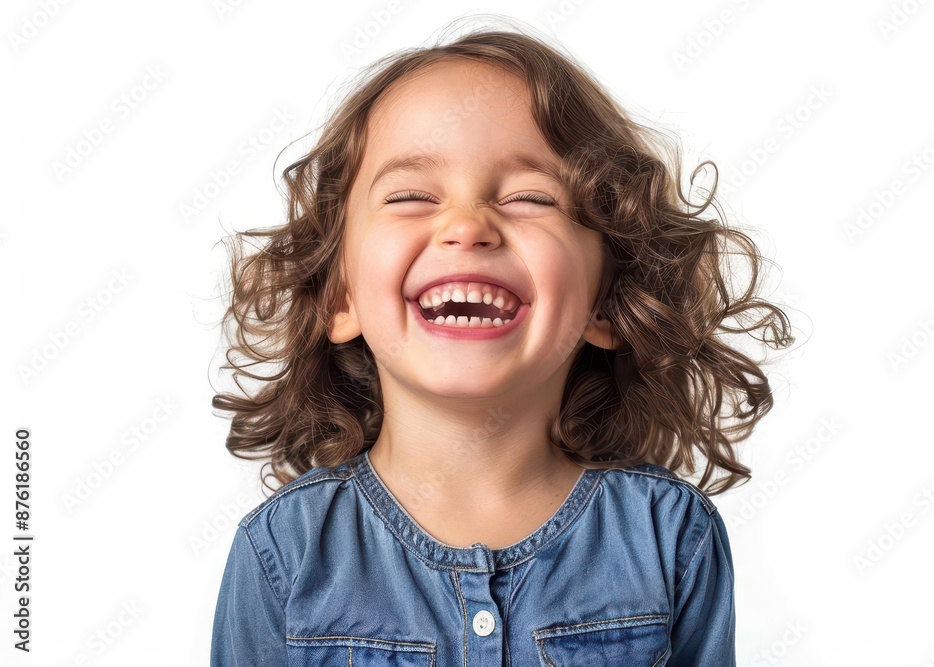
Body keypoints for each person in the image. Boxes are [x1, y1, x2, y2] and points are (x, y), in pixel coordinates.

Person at [210, 16, 791, 666]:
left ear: (606, 300)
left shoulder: (670, 535)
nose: (467, 225)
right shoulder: (284, 548)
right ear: (341, 296)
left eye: (528, 197)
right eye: (410, 195)